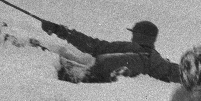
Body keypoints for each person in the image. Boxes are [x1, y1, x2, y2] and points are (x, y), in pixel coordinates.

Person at [39, 19, 181, 83]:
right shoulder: (158, 60)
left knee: (51, 60)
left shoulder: (129, 48)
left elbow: (93, 46)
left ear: (137, 35)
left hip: (91, 81)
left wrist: (60, 31)